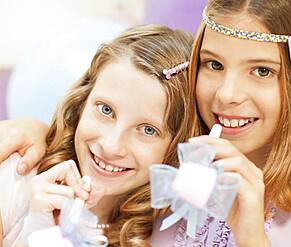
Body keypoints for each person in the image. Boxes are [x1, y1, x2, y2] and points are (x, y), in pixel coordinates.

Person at [1, 0, 291, 246]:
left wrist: (251, 236)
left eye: (261, 70)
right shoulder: (161, 185)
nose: (227, 94)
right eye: (213, 64)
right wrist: (44, 134)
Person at [0, 24, 199, 247]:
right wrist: (32, 228)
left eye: (148, 130)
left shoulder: (173, 233)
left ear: (178, 146)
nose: (111, 145)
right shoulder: (12, 181)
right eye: (106, 110)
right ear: (82, 101)